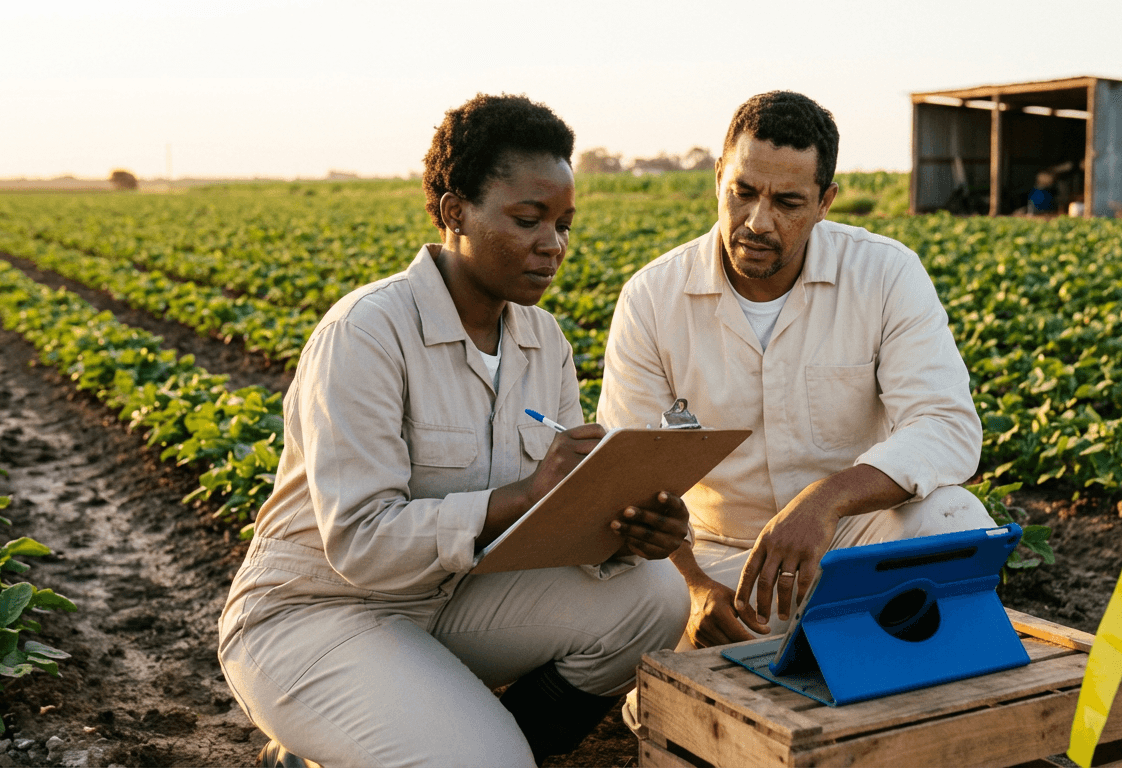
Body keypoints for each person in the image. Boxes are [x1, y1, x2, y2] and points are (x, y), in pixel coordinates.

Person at [218, 94, 692, 768]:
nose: (552, 244)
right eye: (528, 220)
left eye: (563, 224)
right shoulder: (367, 333)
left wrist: (629, 529)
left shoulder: (543, 340)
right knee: (486, 760)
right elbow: (360, 542)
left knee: (653, 597)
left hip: (450, 595)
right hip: (318, 610)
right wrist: (525, 495)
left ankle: (449, 746)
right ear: (454, 212)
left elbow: (551, 524)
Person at [596, 91, 994, 651]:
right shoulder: (652, 298)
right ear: (718, 177)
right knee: (646, 634)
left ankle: (860, 652)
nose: (757, 222)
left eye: (787, 202)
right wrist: (693, 588)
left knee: (954, 518)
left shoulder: (884, 274)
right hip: (717, 559)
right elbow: (627, 476)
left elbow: (946, 425)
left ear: (825, 201)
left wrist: (826, 501)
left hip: (846, 541)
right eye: (743, 192)